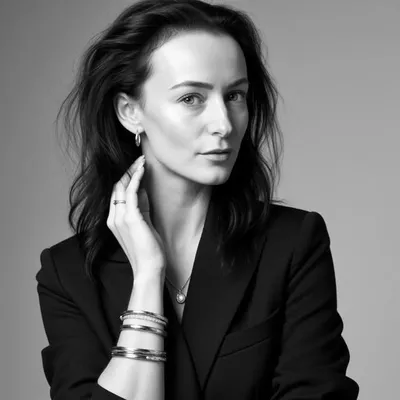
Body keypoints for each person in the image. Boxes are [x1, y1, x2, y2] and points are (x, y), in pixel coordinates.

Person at [36, 0, 359, 399]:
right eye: (191, 98)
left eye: (235, 95)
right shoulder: (68, 274)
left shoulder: (292, 244)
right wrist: (148, 275)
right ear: (130, 112)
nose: (224, 124)